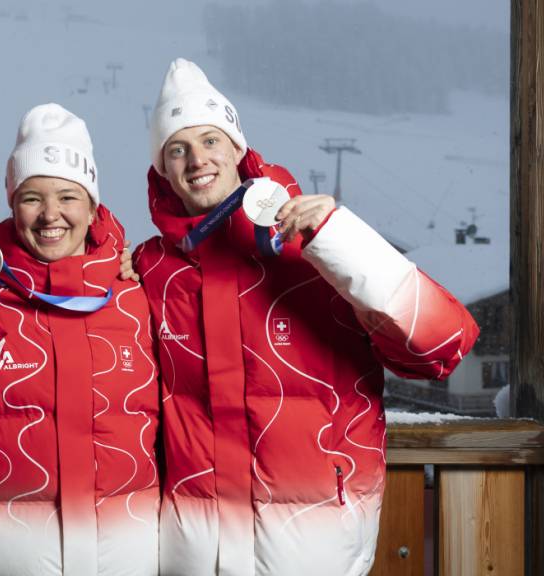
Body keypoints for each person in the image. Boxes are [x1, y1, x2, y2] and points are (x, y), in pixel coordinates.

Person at [133, 59, 479, 576]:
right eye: (176, 148)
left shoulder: (318, 246)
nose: (196, 158)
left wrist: (337, 238)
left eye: (210, 140)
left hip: (316, 539)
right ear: (162, 169)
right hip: (195, 547)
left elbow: (441, 345)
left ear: (237, 150)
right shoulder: (150, 267)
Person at [0, 103, 161, 576]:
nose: (51, 214)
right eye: (32, 197)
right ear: (12, 205)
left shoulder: (136, 293)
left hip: (125, 558)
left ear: (93, 207)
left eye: (68, 197)